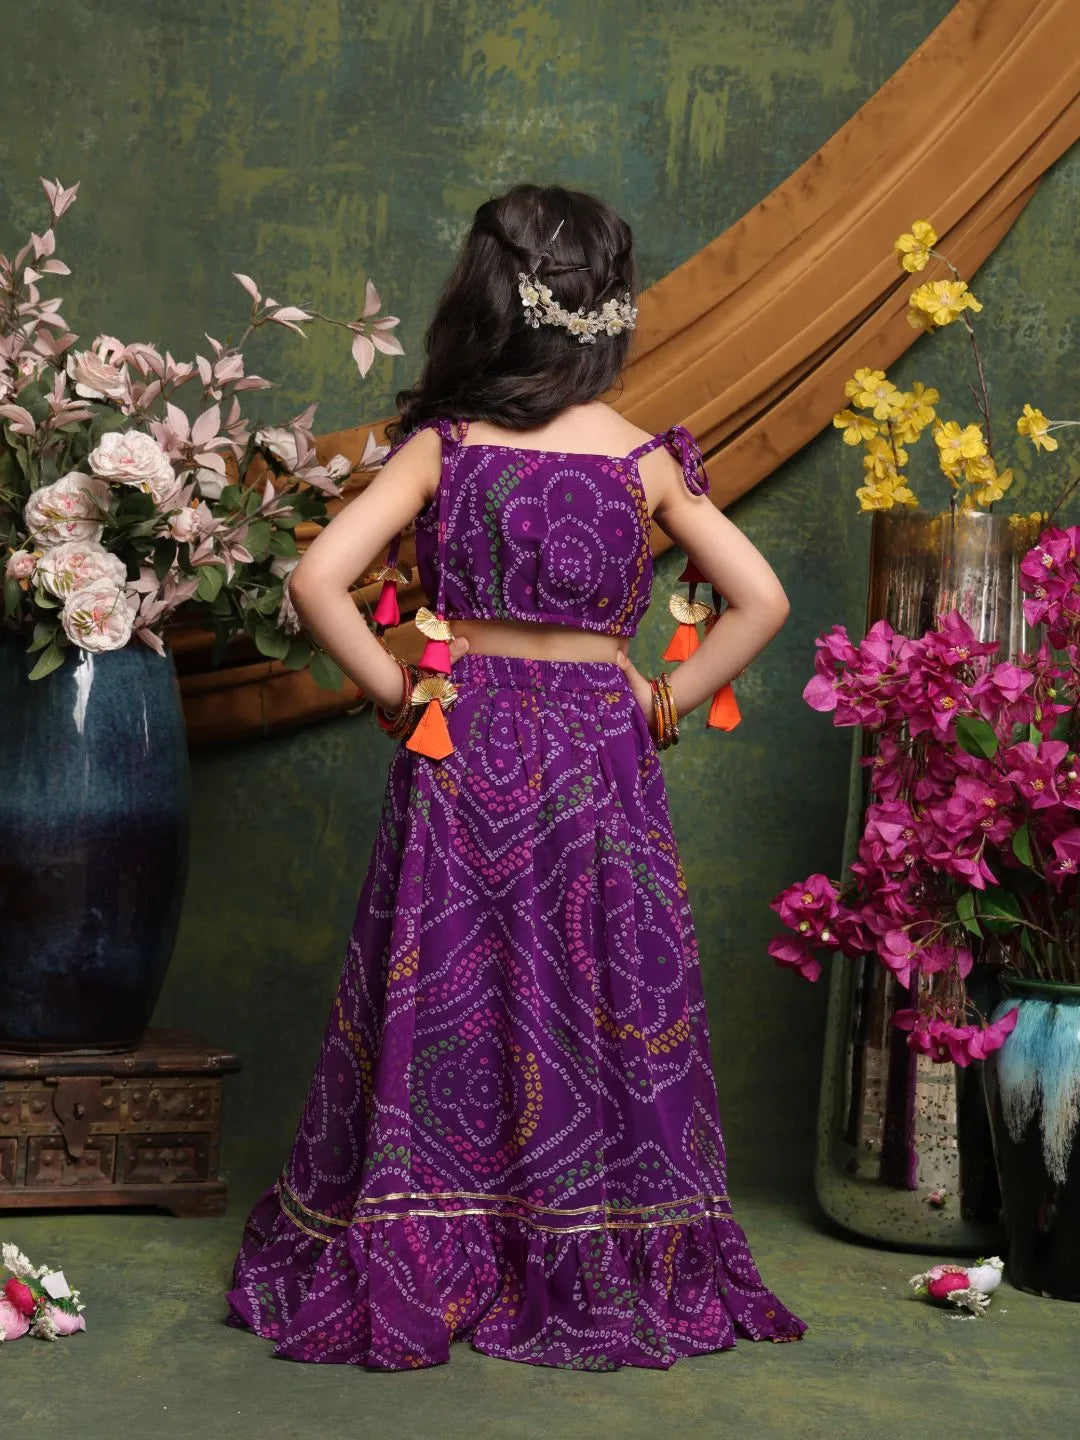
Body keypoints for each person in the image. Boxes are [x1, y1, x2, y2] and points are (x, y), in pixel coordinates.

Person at [226, 182, 805, 1370]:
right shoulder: (640, 459)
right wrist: (661, 702)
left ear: (484, 302)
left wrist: (401, 698)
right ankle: (596, 1242)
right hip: (598, 753)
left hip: (464, 743)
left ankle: (434, 1245)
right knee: (597, 992)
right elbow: (763, 601)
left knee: (453, 984)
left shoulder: (447, 447)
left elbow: (317, 581)